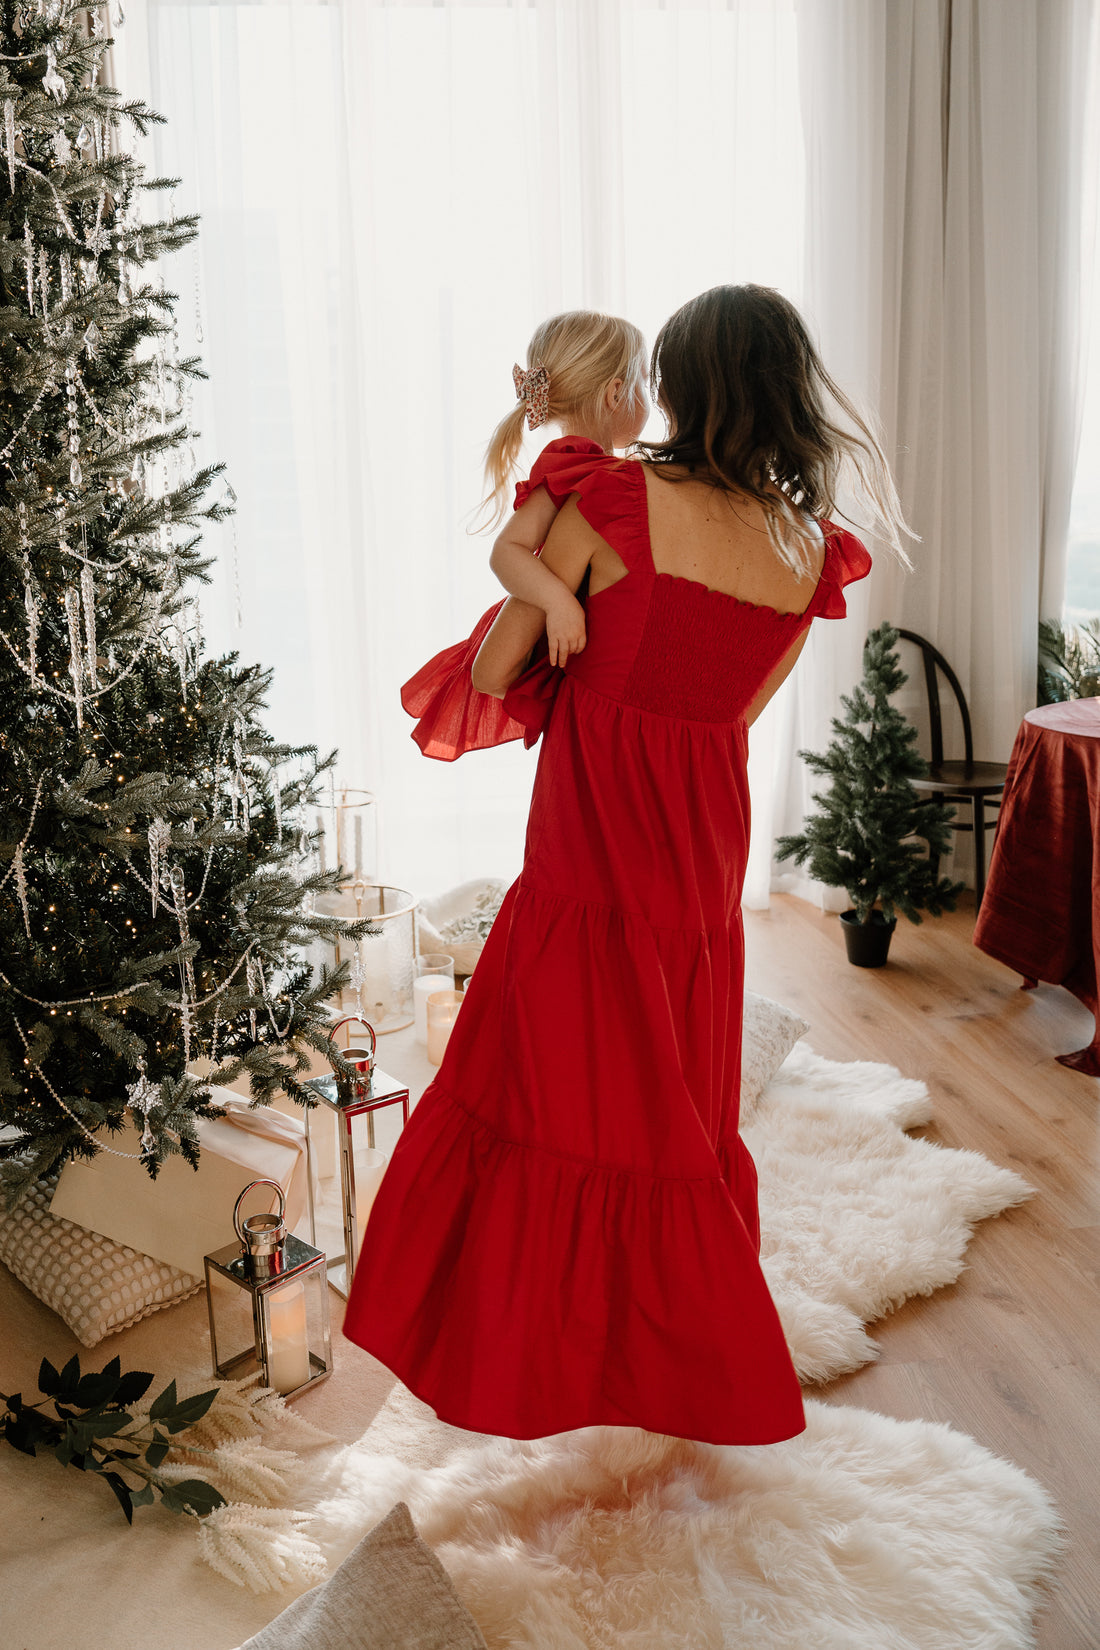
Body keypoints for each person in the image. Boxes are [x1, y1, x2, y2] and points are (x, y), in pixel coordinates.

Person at [344, 284, 912, 1444]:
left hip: (588, 856)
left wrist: (551, 606)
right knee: (671, 1121)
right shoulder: (810, 553)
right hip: (696, 868)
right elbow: (736, 716)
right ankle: (669, 1366)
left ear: (682, 385)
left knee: (550, 1099)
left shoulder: (606, 495)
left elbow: (501, 673)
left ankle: (533, 1363)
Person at [401, 310, 649, 760]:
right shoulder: (575, 462)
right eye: (643, 385)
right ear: (617, 393)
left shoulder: (617, 475)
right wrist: (558, 602)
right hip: (548, 611)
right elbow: (505, 551)